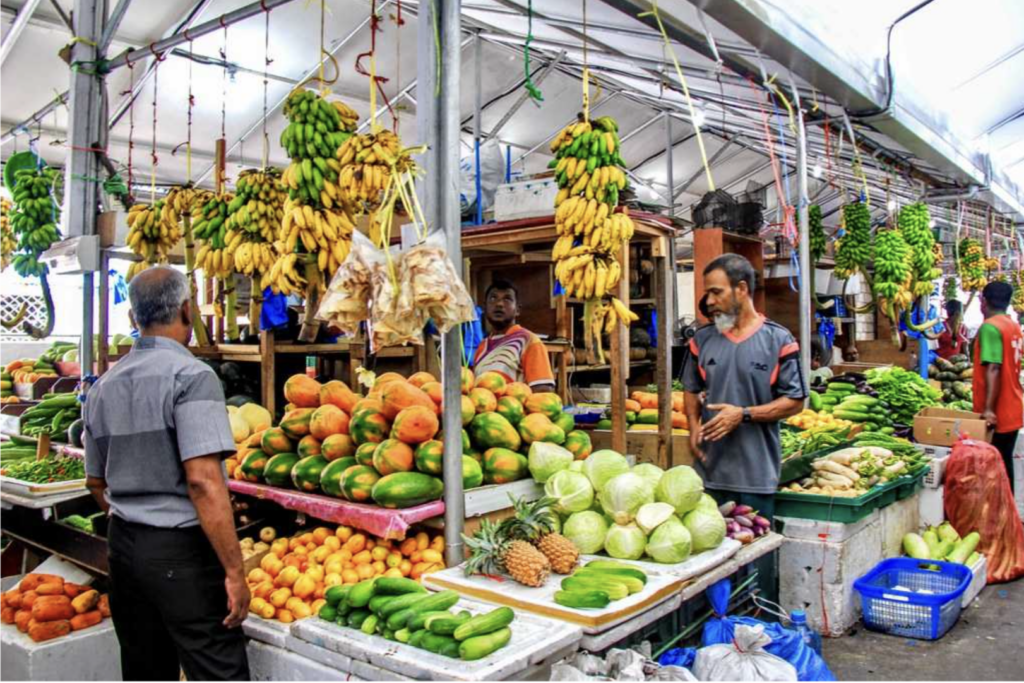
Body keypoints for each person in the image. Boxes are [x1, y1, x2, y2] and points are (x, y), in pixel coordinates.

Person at [83, 266, 250, 681]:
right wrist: (234, 571)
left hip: (123, 547)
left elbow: (94, 482)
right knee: (217, 668)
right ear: (186, 311)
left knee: (145, 668)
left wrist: (133, 522)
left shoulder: (102, 386)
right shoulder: (192, 377)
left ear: (132, 319)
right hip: (181, 551)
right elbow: (203, 481)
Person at [682, 254, 807, 520]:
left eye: (716, 292)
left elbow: (796, 401)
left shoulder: (778, 339)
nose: (710, 301)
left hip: (756, 476)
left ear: (741, 289)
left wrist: (743, 414)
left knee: (756, 552)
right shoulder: (702, 340)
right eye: (708, 293)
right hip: (709, 475)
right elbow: (691, 388)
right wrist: (693, 425)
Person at [972, 281, 1022, 493]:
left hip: (999, 411)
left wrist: (989, 409)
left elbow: (993, 368)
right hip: (1013, 405)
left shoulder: (990, 327)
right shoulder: (1012, 326)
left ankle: (1001, 516)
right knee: (1004, 464)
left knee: (995, 468)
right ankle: (1007, 514)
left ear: (983, 302)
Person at [472, 279, 556, 392]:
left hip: (514, 409)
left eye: (507, 299)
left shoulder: (529, 341)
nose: (499, 304)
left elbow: (543, 390)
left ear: (517, 310)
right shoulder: (482, 346)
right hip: (486, 408)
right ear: (485, 307)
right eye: (493, 298)